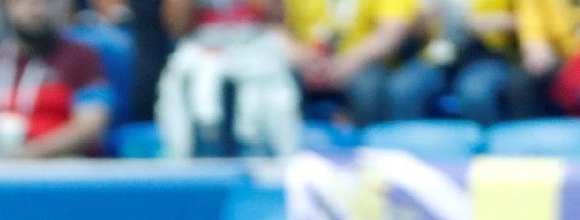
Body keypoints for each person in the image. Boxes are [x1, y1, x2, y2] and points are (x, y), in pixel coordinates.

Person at [0, 0, 114, 158]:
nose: (34, 8)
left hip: (62, 169)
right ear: (6, 7)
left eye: (44, 1)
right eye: (23, 1)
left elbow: (91, 125)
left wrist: (30, 155)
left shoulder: (82, 58)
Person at [156, 0, 301, 157]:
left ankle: (273, 159)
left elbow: (276, 19)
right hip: (201, 54)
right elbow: (176, 27)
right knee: (185, 78)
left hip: (256, 51)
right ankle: (192, 160)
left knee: (276, 87)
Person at [286, 0, 443, 127]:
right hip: (308, 60)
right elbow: (273, 24)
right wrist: (303, 58)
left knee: (369, 87)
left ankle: (364, 149)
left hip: (368, 62)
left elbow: (391, 32)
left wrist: (347, 62)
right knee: (277, 79)